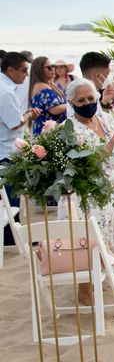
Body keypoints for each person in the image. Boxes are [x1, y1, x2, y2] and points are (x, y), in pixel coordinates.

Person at [65, 78, 114, 303]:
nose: (87, 103)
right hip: (86, 191)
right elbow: (83, 163)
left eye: (90, 98)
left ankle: (100, 279)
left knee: (107, 234)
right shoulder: (70, 129)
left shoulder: (103, 118)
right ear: (71, 102)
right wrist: (111, 146)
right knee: (88, 240)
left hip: (109, 186)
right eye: (81, 100)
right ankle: (84, 290)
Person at [0, 52, 41, 245]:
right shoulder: (5, 91)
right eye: (24, 70)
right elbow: (14, 123)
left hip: (5, 148)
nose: (26, 75)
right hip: (6, 150)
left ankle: (12, 236)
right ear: (10, 70)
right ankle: (11, 239)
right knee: (10, 198)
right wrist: (28, 116)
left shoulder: (6, 87)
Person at [28, 56, 67, 135]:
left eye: (53, 66)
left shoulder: (47, 84)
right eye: (49, 67)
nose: (53, 69)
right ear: (39, 70)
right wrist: (71, 104)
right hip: (47, 132)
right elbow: (53, 110)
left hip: (50, 131)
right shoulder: (42, 86)